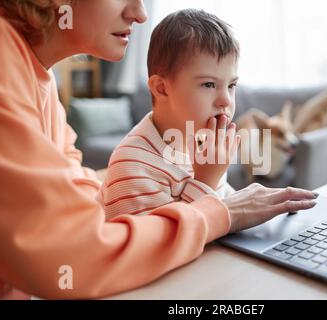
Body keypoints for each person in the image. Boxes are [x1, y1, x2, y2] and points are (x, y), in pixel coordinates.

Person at [0, 0, 318, 299]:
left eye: (230, 86)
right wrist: (224, 210)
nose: (140, 13)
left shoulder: (40, 80)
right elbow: (72, 259)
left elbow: (79, 198)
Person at [99, 9, 241, 219]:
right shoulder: (133, 166)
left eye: (231, 85)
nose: (226, 100)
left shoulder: (203, 145)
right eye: (209, 84)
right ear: (162, 89)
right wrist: (205, 181)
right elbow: (159, 245)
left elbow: (226, 206)